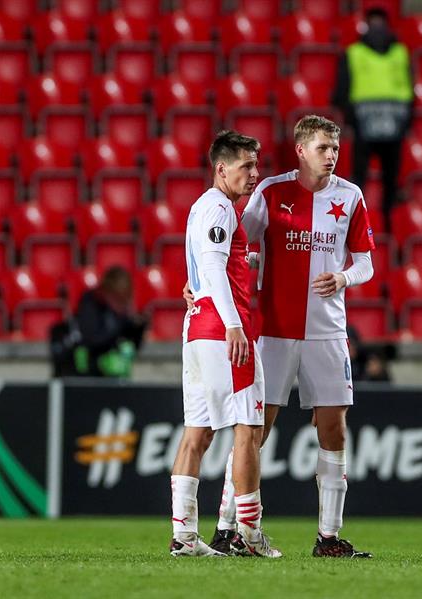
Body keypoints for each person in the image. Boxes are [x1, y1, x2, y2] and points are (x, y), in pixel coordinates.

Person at [207, 115, 376, 558]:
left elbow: (366, 263)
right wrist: (199, 282)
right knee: (254, 430)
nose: (332, 156)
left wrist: (342, 278)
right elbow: (232, 246)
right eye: (323, 148)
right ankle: (227, 529)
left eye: (335, 148)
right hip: (275, 332)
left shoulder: (350, 196)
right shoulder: (271, 191)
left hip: (328, 333)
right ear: (301, 150)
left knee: (334, 429)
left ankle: (329, 537)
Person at [169, 130, 280, 558]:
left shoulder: (204, 207)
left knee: (195, 433)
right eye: (246, 166)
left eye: (256, 165)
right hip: (224, 331)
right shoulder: (220, 208)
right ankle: (249, 536)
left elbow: (211, 265)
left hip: (197, 329)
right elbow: (215, 268)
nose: (254, 174)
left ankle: (184, 537)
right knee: (248, 431)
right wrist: (235, 326)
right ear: (221, 168)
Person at [332, 7, 414, 220]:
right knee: (372, 180)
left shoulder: (395, 53)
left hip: (378, 124)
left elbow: (409, 87)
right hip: (378, 124)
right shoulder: (358, 53)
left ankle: (380, 223)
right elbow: (343, 88)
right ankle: (366, 223)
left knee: (381, 181)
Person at [50, 266, 146, 378]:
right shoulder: (90, 304)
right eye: (118, 298)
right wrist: (122, 326)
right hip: (85, 377)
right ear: (107, 292)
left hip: (113, 379)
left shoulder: (121, 316)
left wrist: (138, 328)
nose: (121, 304)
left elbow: (133, 345)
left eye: (124, 299)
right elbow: (93, 340)